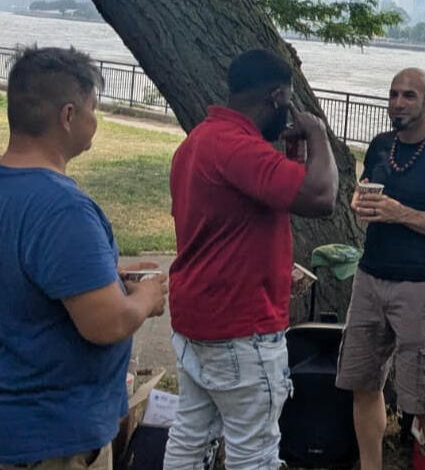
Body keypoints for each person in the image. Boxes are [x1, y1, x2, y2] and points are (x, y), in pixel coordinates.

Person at [163, 49, 338, 470]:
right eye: (288, 103)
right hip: (241, 327)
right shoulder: (239, 148)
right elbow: (322, 197)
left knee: (190, 436)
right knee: (254, 452)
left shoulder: (200, 140)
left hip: (197, 320)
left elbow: (238, 217)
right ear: (277, 97)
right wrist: (317, 135)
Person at [0, 47, 167, 469]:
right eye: (94, 109)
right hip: (50, 441)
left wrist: (101, 278)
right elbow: (107, 323)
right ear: (69, 116)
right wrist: (146, 298)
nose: (96, 119)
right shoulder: (63, 209)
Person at [336, 68, 425, 470]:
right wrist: (358, 203)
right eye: (393, 94)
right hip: (369, 278)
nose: (398, 103)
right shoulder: (381, 146)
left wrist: (401, 213)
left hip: (419, 285)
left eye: (409, 96)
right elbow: (364, 193)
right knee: (363, 384)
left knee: (424, 400)